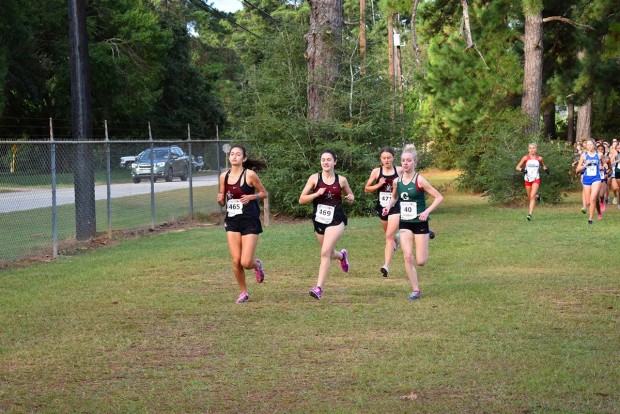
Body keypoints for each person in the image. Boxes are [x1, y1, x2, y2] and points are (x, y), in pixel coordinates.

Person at [382, 144, 443, 301]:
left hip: (420, 222)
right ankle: (415, 290)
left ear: (415, 162)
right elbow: (395, 197)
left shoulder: (420, 180)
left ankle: (427, 234)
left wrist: (427, 212)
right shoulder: (397, 181)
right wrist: (388, 207)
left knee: (421, 261)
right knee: (408, 257)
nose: (405, 163)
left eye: (408, 160)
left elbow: (439, 197)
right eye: (403, 160)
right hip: (405, 223)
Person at [299, 150, 355, 300]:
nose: (325, 162)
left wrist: (350, 197)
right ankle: (342, 256)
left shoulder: (341, 180)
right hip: (319, 220)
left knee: (324, 253)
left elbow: (351, 196)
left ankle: (318, 288)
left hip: (336, 220)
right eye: (323, 159)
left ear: (335, 162)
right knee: (329, 254)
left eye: (329, 160)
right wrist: (316, 194)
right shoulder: (314, 178)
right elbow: (302, 199)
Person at [217, 145, 268, 303]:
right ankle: (244, 292)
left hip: (249, 219)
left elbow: (264, 193)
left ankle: (256, 264)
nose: (234, 157)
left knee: (246, 262)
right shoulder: (223, 176)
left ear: (243, 158)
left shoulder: (250, 175)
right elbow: (222, 200)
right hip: (232, 220)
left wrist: (251, 197)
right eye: (232, 154)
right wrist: (220, 201)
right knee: (235, 260)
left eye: (238, 154)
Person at [364, 147, 403, 277]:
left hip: (396, 205)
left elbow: (408, 183)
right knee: (389, 235)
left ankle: (386, 265)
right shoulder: (376, 171)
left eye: (389, 157)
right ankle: (398, 239)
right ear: (380, 159)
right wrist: (378, 185)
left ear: (393, 158)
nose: (386, 160)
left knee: (388, 236)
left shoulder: (399, 170)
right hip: (382, 206)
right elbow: (366, 189)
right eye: (384, 158)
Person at [515, 143, 549, 221]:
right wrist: (522, 170)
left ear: (536, 149)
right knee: (530, 196)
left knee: (532, 196)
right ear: (528, 149)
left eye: (533, 148)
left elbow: (543, 165)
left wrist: (546, 170)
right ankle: (538, 196)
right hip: (527, 179)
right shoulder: (525, 158)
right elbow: (517, 167)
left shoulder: (539, 158)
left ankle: (529, 215)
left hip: (536, 179)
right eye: (530, 148)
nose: (532, 150)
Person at [576, 139, 603, 224]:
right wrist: (585, 165)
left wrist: (604, 166)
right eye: (588, 145)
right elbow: (577, 169)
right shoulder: (584, 155)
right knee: (588, 202)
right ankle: (597, 212)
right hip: (587, 179)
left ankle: (590, 219)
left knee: (593, 198)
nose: (589, 146)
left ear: (594, 145)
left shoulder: (599, 155)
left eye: (591, 145)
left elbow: (603, 163)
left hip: (596, 178)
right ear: (586, 146)